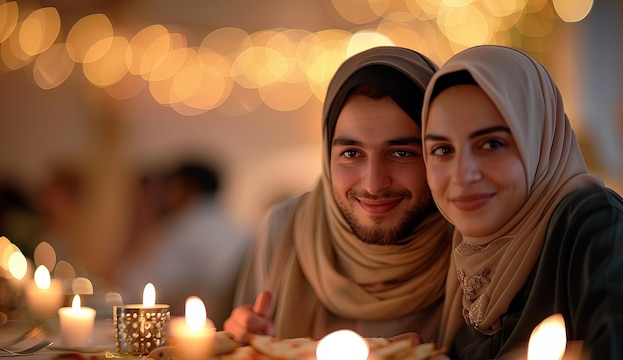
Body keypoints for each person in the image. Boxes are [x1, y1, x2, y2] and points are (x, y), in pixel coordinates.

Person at [421, 45, 623, 360]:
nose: (462, 175)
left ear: (538, 139)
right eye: (441, 150)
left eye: (492, 144)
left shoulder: (592, 219)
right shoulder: (465, 249)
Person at [224, 46, 452, 342]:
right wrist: (241, 335)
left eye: (400, 152)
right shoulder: (285, 228)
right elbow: (249, 352)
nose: (373, 184)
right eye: (352, 153)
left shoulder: (468, 240)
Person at [114, 160, 252, 327]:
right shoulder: (239, 227)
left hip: (189, 333)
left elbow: (130, 286)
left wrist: (138, 224)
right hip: (227, 329)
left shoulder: (183, 228)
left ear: (185, 187)